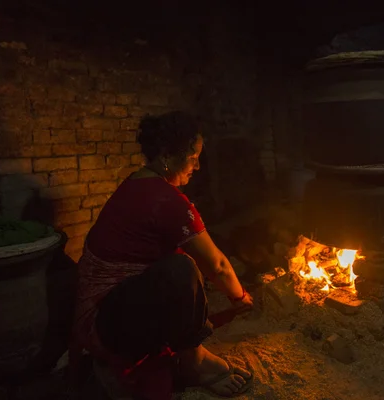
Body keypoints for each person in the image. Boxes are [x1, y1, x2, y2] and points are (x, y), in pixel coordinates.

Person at [70, 110, 254, 400]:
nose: (197, 167)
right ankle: (194, 363)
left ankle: (189, 354)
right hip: (106, 325)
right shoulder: (165, 200)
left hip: (106, 310)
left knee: (183, 262)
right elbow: (217, 265)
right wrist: (240, 298)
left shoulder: (136, 183)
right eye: (193, 158)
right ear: (168, 155)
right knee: (182, 269)